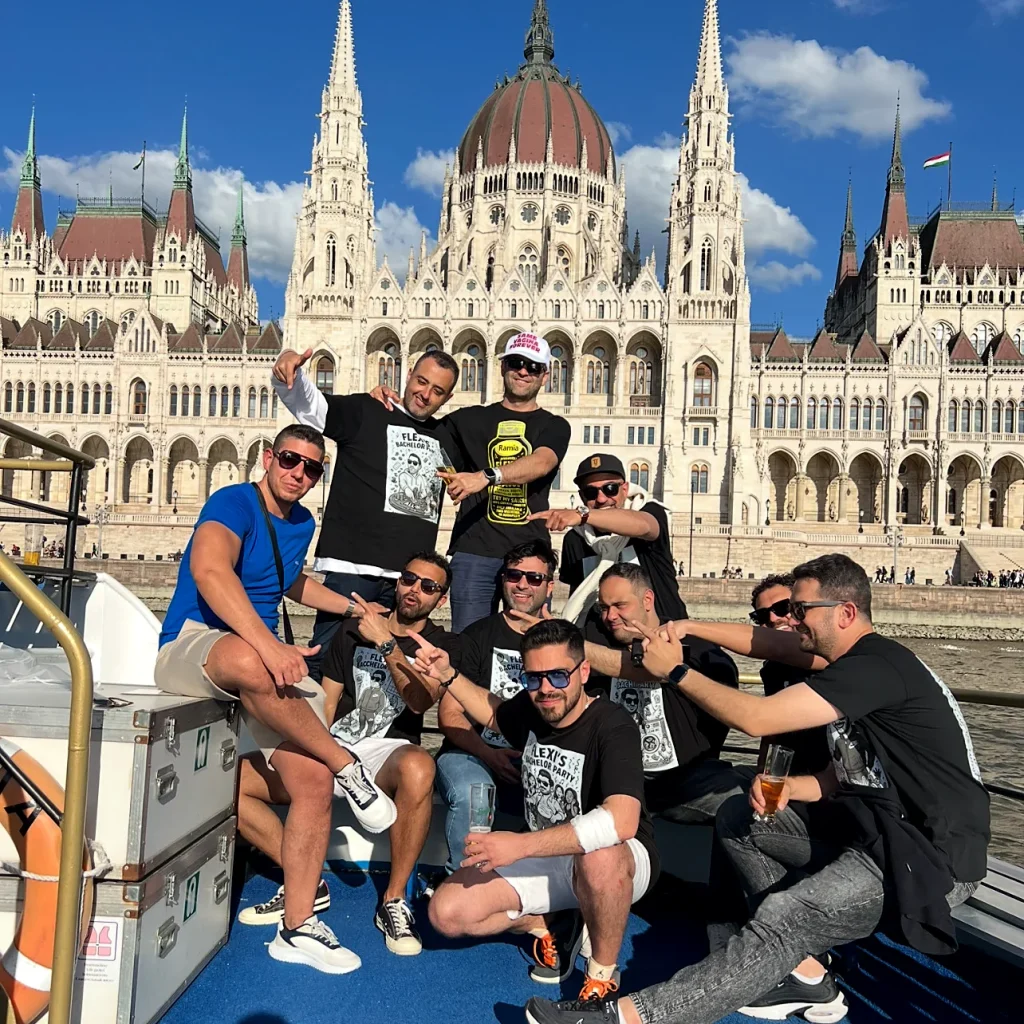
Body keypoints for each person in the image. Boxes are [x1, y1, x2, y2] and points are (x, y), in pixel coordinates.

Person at [526, 554, 990, 1024]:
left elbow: (755, 718)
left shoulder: (876, 668)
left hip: (931, 858)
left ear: (845, 614)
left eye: (801, 609)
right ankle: (806, 974)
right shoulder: (849, 661)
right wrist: (687, 628)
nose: (792, 619)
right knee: (737, 818)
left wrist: (676, 671)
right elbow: (839, 762)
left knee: (787, 916)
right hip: (881, 833)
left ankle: (622, 1017)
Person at [155, 425, 396, 975]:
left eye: (313, 468)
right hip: (198, 643)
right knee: (247, 662)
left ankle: (299, 921)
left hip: (264, 660)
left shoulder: (302, 522)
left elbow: (290, 582)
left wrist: (354, 611)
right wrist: (269, 645)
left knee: (309, 780)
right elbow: (210, 571)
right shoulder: (232, 501)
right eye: (290, 460)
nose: (299, 473)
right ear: (268, 458)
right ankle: (348, 766)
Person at [415, 619, 659, 1005]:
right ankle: (549, 921)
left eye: (558, 676)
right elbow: (492, 712)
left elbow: (622, 821)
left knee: (601, 856)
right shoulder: (536, 707)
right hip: (549, 855)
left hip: (619, 860)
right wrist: (447, 675)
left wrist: (521, 846)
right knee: (446, 913)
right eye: (534, 678)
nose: (546, 689)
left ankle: (600, 980)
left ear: (583, 671)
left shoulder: (613, 724)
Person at [237, 551, 463, 957]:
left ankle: (394, 901)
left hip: (385, 753)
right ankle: (305, 880)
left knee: (419, 766)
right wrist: (316, 753)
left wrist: (388, 644)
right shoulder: (349, 632)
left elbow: (418, 702)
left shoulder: (442, 645)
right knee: (231, 784)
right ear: (398, 582)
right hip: (336, 742)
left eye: (429, 587)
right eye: (410, 579)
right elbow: (327, 701)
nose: (415, 590)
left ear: (441, 599)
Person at [271, 346, 460, 679]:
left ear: (448, 397)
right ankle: (310, 729)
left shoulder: (448, 436)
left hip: (408, 581)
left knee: (388, 675)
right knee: (327, 661)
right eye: (421, 381)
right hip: (352, 568)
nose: (425, 393)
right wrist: (287, 371)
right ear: (408, 374)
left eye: (437, 391)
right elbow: (312, 406)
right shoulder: (367, 410)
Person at [372, 332, 571, 631]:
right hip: (474, 551)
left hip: (530, 558)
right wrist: (387, 403)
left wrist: (486, 477)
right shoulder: (466, 420)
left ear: (545, 376)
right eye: (516, 363)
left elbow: (542, 462)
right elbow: (421, 438)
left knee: (532, 644)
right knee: (469, 640)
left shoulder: (555, 426)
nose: (523, 371)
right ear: (503, 367)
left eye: (533, 367)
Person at [434, 539, 557, 876]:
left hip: (534, 758)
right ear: (503, 579)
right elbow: (449, 715)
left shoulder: (561, 641)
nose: (522, 585)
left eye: (534, 579)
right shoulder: (476, 635)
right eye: (514, 575)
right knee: (476, 792)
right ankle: (463, 885)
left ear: (550, 586)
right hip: (471, 753)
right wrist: (489, 756)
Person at [585, 563, 742, 823]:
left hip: (689, 782)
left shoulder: (699, 650)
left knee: (746, 803)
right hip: (615, 782)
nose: (610, 616)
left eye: (620, 606)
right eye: (604, 607)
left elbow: (727, 704)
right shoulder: (595, 639)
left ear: (647, 600)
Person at [534, 454, 686, 623]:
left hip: (667, 631)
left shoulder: (650, 511)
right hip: (606, 638)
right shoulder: (575, 539)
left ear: (625, 489)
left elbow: (644, 526)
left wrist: (583, 515)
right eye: (590, 492)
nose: (601, 499)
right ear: (582, 496)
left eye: (610, 488)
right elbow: (578, 595)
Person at [748, 574, 830, 777]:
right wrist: (762, 773)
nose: (774, 619)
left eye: (782, 607)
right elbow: (771, 733)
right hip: (790, 780)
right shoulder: (772, 669)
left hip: (830, 786)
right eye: (762, 616)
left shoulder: (829, 657)